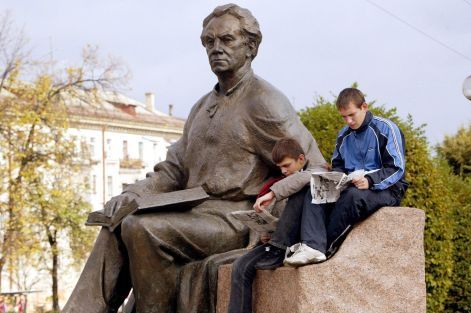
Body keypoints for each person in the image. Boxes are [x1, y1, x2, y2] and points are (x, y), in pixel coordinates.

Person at [62, 4, 325, 313]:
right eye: (209, 42)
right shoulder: (201, 108)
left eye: (227, 40)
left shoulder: (265, 102)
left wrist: (279, 209)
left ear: (251, 46)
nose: (216, 49)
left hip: (234, 220)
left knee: (141, 228)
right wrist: (133, 193)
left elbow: (315, 166)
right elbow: (172, 170)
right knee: (118, 222)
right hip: (193, 214)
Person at [284, 87, 408, 266]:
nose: (348, 121)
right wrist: (337, 180)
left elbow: (396, 168)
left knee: (352, 197)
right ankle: (312, 246)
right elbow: (339, 165)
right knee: (316, 188)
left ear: (364, 107)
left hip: (387, 189)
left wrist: (370, 181)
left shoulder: (386, 128)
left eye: (352, 115)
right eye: (344, 117)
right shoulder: (343, 135)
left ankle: (323, 247)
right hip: (352, 185)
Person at [228, 138, 324, 313]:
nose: (283, 170)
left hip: (297, 245)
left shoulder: (317, 170)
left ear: (301, 159)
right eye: (280, 167)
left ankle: (276, 248)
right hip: (277, 244)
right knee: (240, 266)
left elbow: (309, 177)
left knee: (301, 186)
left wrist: (272, 194)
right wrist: (267, 232)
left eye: (286, 165)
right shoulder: (285, 182)